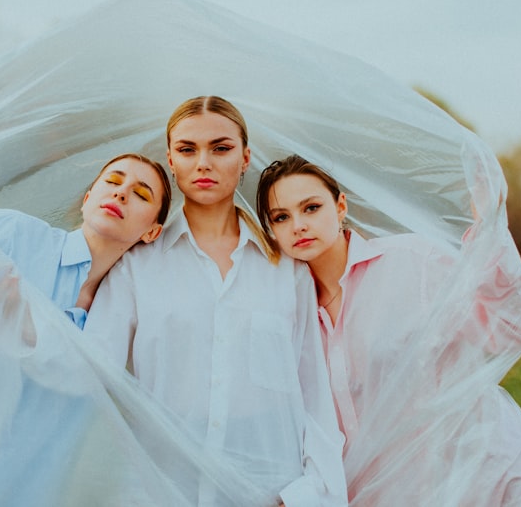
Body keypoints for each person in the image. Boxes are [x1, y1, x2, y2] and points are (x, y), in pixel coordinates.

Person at [256, 154, 521, 506]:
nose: (297, 225)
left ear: (340, 206)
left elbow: (509, 327)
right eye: (281, 217)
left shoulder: (413, 262)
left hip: (482, 476)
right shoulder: (286, 312)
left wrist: (490, 233)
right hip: (384, 493)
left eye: (311, 208)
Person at [85, 97, 348, 507]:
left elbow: (314, 394)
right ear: (171, 160)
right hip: (163, 493)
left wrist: (308, 493)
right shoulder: (135, 267)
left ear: (245, 158)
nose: (203, 163)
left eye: (220, 148)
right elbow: (93, 383)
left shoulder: (287, 270)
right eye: (188, 150)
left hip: (273, 492)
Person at [0, 152, 171, 329]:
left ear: (152, 233)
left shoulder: (121, 320)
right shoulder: (13, 232)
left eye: (140, 194)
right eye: (112, 181)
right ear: (87, 199)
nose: (120, 193)